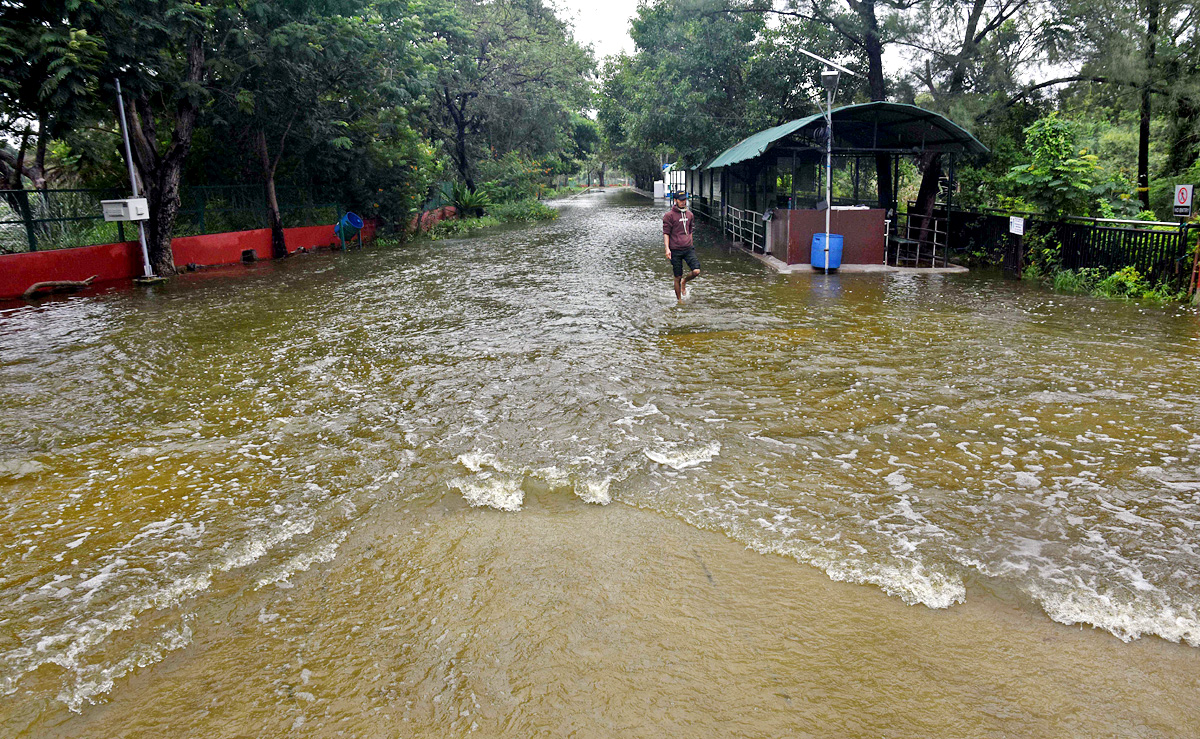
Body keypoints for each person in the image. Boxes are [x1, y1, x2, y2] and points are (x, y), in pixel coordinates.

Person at [663, 191, 700, 300]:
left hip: (688, 248)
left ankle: (685, 281)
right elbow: (666, 233)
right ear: (675, 201)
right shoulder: (669, 216)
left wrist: (691, 243)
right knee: (677, 276)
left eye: (685, 200)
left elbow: (690, 230)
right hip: (675, 250)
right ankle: (679, 300)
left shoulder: (690, 214)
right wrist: (667, 249)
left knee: (696, 271)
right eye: (681, 200)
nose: (683, 202)